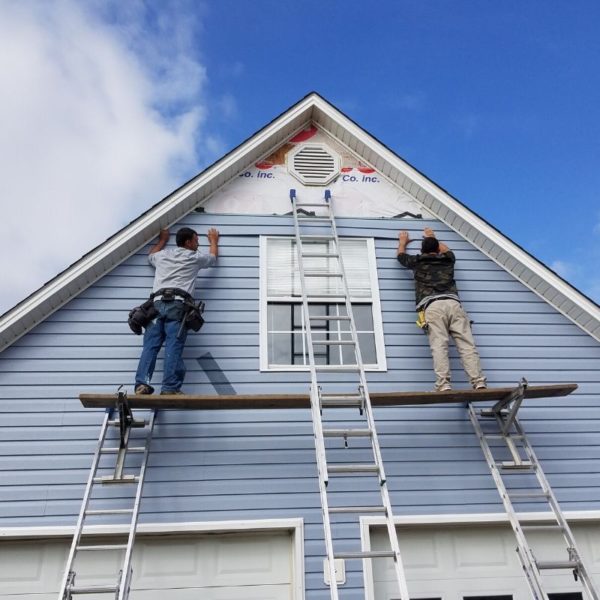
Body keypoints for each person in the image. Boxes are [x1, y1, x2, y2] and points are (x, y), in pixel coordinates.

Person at [397, 227, 486, 392]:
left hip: (433, 306)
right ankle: (478, 381)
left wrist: (402, 241)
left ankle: (444, 384)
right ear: (437, 249)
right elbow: (447, 249)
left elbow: (401, 257)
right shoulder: (448, 259)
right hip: (454, 304)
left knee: (439, 345)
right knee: (467, 345)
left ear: (422, 250)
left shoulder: (417, 261)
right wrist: (432, 236)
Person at [134, 226, 219, 395]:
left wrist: (162, 240)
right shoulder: (194, 257)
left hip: (155, 307)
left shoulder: (163, 255)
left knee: (150, 346)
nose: (198, 243)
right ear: (188, 242)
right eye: (196, 240)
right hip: (177, 306)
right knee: (173, 346)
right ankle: (170, 388)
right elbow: (212, 258)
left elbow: (150, 255)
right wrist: (214, 241)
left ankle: (142, 384)